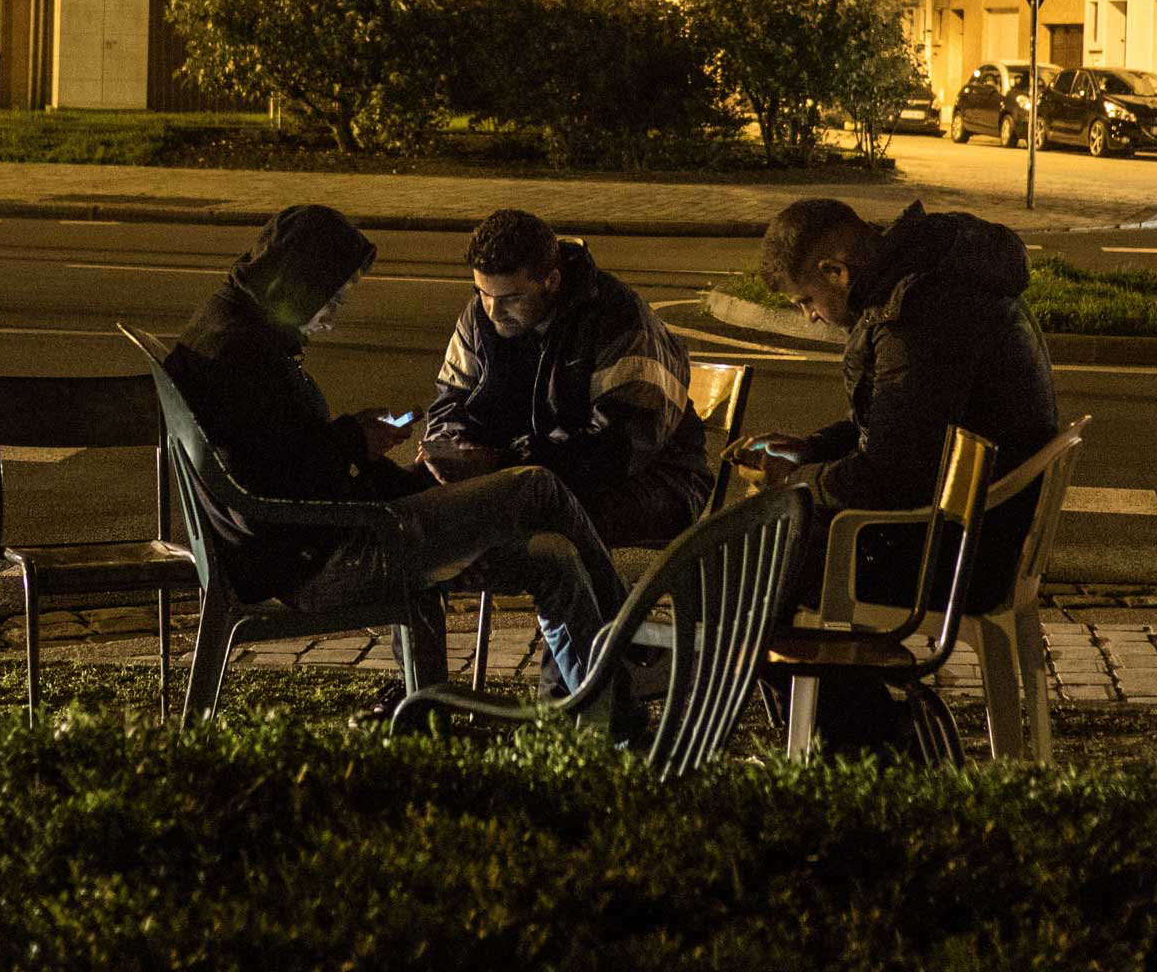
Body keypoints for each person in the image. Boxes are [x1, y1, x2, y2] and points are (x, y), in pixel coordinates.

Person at [164, 203, 631, 704]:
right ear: (301, 280)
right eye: (334, 293)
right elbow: (273, 481)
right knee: (535, 485)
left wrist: (398, 472)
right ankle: (632, 642)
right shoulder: (241, 354)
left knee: (554, 559)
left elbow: (283, 457)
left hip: (312, 542)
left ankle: (604, 708)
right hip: (320, 561)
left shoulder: (229, 328)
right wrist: (353, 444)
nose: (337, 306)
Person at [742, 196, 1060, 749]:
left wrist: (795, 486)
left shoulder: (919, 313)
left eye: (806, 302)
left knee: (760, 572)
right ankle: (865, 735)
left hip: (961, 553)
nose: (810, 316)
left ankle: (875, 748)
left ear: (834, 272)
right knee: (773, 560)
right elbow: (903, 422)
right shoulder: (929, 281)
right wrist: (814, 449)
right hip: (978, 526)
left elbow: (890, 473)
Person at [422, 208, 710, 547]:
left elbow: (620, 448)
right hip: (526, 474)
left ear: (552, 281)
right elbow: (450, 401)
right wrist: (451, 448)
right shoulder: (479, 317)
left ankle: (600, 600)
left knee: (531, 515)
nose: (494, 312)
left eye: (512, 298)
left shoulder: (616, 318)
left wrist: (505, 464)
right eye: (483, 293)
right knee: (411, 502)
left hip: (656, 482)